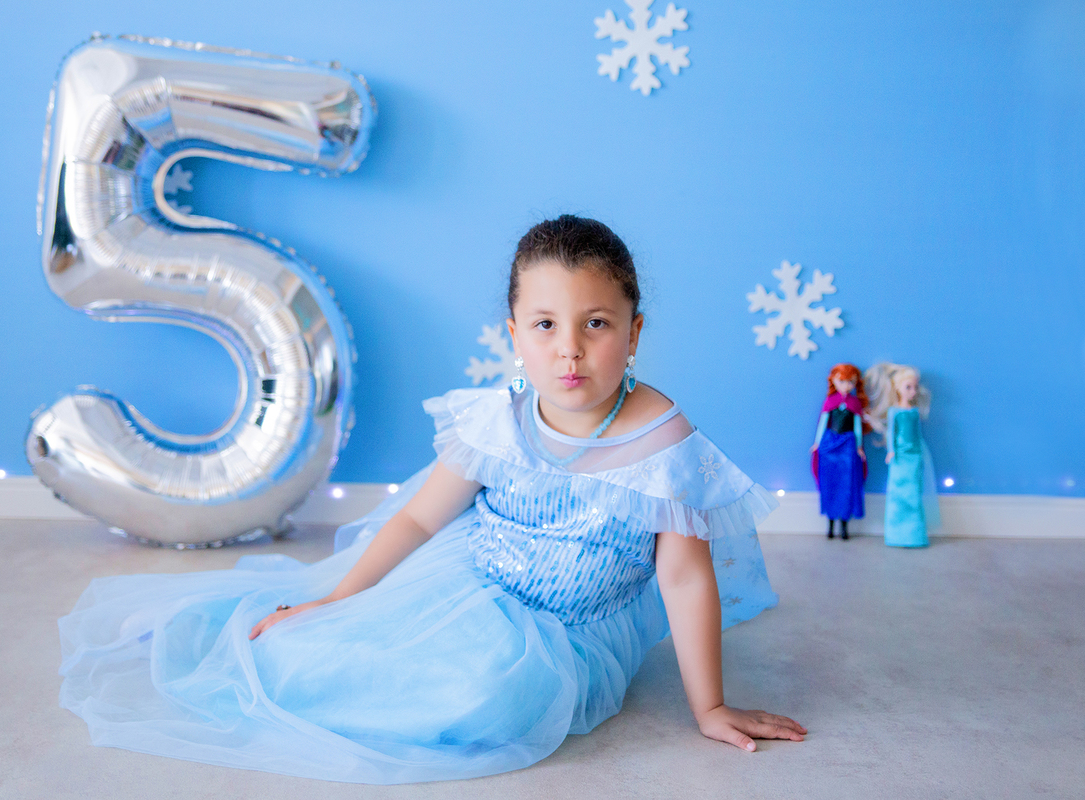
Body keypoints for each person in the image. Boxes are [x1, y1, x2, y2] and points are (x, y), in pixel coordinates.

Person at [59, 215, 805, 784]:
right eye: (545, 326)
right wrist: (340, 599)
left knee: (491, 696)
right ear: (514, 333)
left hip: (568, 626)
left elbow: (683, 576)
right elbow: (419, 516)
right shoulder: (500, 418)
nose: (569, 351)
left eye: (596, 325)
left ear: (635, 332)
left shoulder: (662, 442)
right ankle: (209, 628)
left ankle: (387, 672)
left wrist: (709, 706)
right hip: (471, 577)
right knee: (319, 647)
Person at [865, 362, 939, 547]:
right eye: (908, 387)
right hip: (899, 455)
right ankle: (897, 534)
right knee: (898, 494)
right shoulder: (894, 411)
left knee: (914, 493)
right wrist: (891, 451)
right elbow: (891, 432)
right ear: (898, 388)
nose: (913, 391)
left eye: (914, 387)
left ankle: (915, 534)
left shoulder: (914, 411)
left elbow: (918, 434)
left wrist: (921, 452)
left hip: (914, 454)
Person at [810, 364, 869, 540]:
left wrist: (859, 446)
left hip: (848, 445)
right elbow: (823, 422)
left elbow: (857, 427)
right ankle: (830, 525)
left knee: (847, 485)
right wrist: (817, 443)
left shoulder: (855, 403)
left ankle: (844, 526)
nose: (846, 386)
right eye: (841, 381)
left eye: (850, 382)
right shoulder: (830, 401)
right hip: (830, 445)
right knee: (830, 482)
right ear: (834, 381)